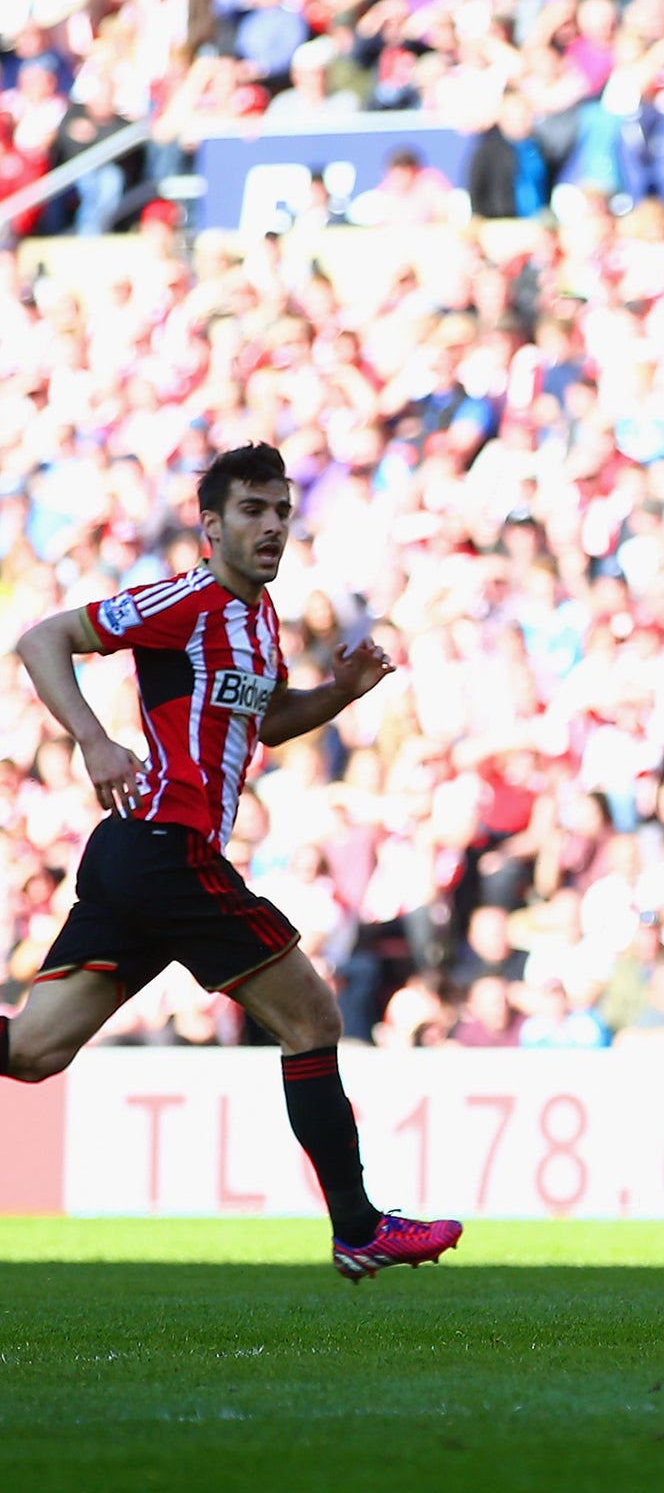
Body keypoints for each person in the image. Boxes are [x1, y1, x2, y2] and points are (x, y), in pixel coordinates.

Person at [2, 444, 463, 1281]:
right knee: (313, 1021)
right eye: (254, 510)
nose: (274, 527)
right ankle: (359, 1228)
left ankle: (358, 1228)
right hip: (164, 848)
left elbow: (271, 721)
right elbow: (43, 639)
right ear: (211, 527)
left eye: (283, 510)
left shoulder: (257, 622)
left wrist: (342, 694)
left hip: (137, 859)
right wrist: (95, 740)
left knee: (34, 1052)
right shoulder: (190, 599)